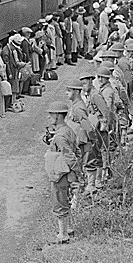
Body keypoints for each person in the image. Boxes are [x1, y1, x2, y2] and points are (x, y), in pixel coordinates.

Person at [43, 101, 81, 244]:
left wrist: (76, 172)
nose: (49, 117)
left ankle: (63, 234)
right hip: (66, 171)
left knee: (59, 201)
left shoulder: (60, 136)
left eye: (51, 114)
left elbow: (69, 155)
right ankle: (68, 228)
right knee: (65, 199)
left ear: (58, 116)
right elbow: (76, 150)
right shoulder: (67, 130)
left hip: (61, 172)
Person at [1, 34, 25, 107]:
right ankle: (11, 102)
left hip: (13, 70)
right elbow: (9, 62)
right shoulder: (12, 50)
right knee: (13, 86)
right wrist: (10, 73)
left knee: (14, 86)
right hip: (12, 71)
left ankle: (12, 101)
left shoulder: (10, 48)